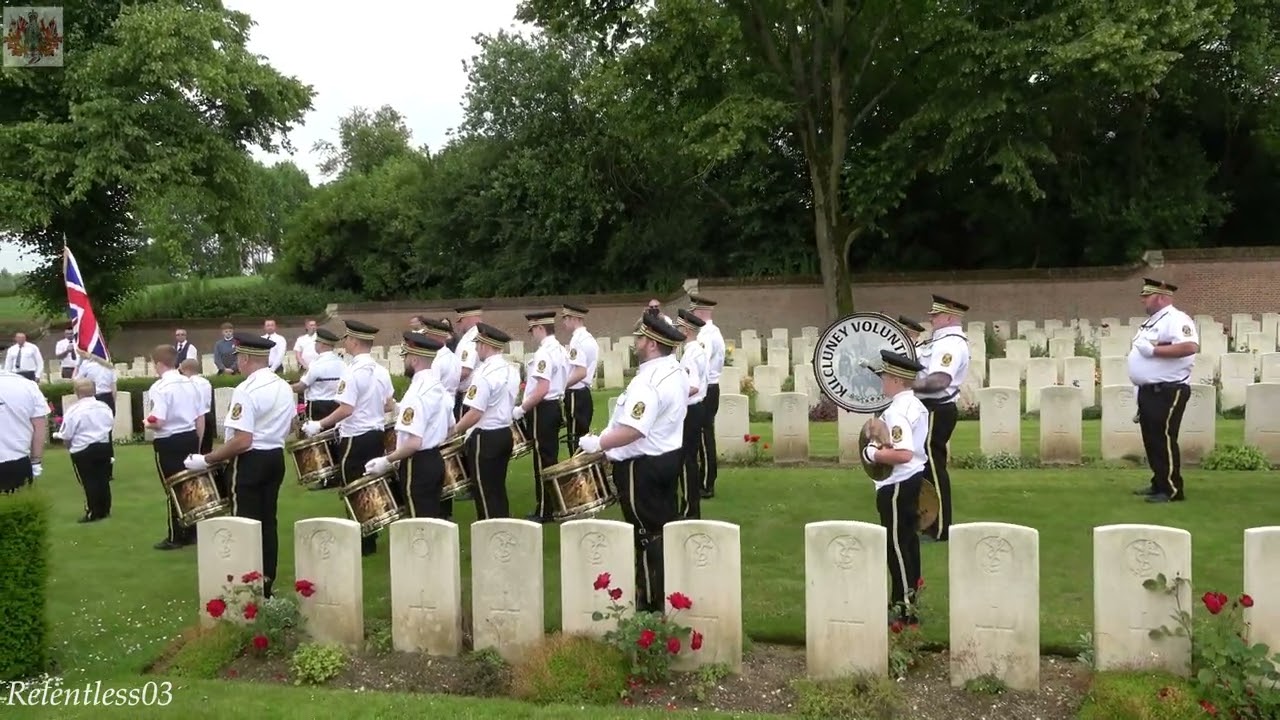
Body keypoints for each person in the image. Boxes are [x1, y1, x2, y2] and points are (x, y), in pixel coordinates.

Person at [577, 313, 688, 613]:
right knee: (664, 531)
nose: (635, 343)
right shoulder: (674, 370)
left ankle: (651, 607)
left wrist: (598, 443)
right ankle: (669, 596)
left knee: (646, 537)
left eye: (639, 338)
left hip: (644, 468)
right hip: (666, 458)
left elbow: (634, 429)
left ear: (652, 344)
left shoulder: (648, 381)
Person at [184, 333, 294, 597]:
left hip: (251, 460)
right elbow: (290, 426)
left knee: (244, 523)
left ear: (244, 358)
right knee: (267, 522)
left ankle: (248, 586)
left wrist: (207, 459)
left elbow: (243, 440)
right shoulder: (284, 386)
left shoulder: (247, 389)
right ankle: (266, 584)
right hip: (275, 457)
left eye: (239, 358)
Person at [301, 320, 395, 556]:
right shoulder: (381, 370)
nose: (345, 343)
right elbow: (387, 404)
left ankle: (361, 540)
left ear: (353, 341)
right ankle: (370, 536)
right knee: (370, 484)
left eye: (347, 339)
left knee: (353, 486)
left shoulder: (351, 372)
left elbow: (346, 409)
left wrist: (318, 424)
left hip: (355, 436)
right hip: (376, 433)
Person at [862, 350, 929, 626]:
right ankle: (909, 600)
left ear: (897, 380)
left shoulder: (897, 411)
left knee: (897, 546)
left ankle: (904, 608)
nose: (882, 382)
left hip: (897, 482)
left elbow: (903, 453)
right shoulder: (916, 405)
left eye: (885, 377)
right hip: (912, 479)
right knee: (909, 543)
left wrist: (872, 454)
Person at [364, 332, 453, 519]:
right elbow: (450, 427)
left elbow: (413, 442)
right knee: (433, 519)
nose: (403, 361)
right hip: (436, 459)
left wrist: (386, 461)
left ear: (414, 359)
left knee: (418, 524)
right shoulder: (439, 389)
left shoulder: (416, 393)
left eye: (405, 357)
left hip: (417, 464)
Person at [1128, 278, 1199, 503]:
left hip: (1168, 389)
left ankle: (1171, 489)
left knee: (1164, 438)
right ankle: (1158, 482)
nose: (1143, 300)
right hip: (1150, 390)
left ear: (1160, 297)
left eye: (1147, 296)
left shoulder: (1176, 319)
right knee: (1152, 439)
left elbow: (1189, 347)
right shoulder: (1152, 322)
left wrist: (1154, 352)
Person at [912, 295, 970, 543]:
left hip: (937, 408)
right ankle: (926, 521)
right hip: (928, 408)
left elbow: (940, 380)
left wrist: (907, 386)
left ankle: (941, 527)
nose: (931, 318)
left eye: (935, 315)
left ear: (949, 317)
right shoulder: (939, 341)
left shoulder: (951, 345)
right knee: (923, 466)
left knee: (933, 466)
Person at [450, 323, 516, 520]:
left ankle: (490, 536)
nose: (476, 348)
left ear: (485, 345)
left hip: (485, 437)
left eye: (478, 344)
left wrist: (454, 430)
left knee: (484, 490)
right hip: (505, 432)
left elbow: (475, 413)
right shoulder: (510, 369)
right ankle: (504, 528)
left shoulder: (483, 374)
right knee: (497, 488)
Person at [145, 345, 205, 550]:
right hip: (189, 436)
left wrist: (146, 422)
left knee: (173, 486)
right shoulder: (190, 384)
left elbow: (158, 421)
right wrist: (197, 441)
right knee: (190, 485)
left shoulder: (159, 387)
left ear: (159, 364)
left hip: (169, 439)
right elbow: (199, 417)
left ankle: (177, 535)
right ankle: (194, 531)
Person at [515, 311, 568, 523]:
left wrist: (522, 408)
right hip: (553, 406)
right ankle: (554, 504)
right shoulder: (560, 349)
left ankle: (546, 509)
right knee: (550, 458)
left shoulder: (545, 353)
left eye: (533, 331)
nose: (532, 335)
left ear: (539, 328)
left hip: (543, 408)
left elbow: (542, 388)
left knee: (542, 461)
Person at [419, 318, 463, 517]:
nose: (425, 336)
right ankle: (446, 507)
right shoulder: (452, 356)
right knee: (446, 458)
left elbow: (430, 387)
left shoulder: (437, 359)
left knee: (436, 457)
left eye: (428, 333)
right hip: (450, 408)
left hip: (437, 410)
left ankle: (439, 508)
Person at [56, 379, 114, 521]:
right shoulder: (104, 407)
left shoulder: (74, 410)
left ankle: (93, 511)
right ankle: (105, 509)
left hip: (83, 448)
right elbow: (110, 423)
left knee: (89, 481)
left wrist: (68, 445)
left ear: (76, 392)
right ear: (94, 391)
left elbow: (67, 433)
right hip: (103, 445)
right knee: (103, 479)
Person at [689, 295, 725, 500]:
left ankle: (705, 483)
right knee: (705, 435)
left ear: (698, 312)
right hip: (712, 387)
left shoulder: (704, 335)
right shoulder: (715, 331)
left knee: (703, 438)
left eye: (692, 312)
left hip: (706, 389)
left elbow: (700, 366)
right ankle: (705, 480)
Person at [674, 309, 708, 519]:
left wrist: (673, 394)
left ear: (686, 330)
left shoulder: (690, 354)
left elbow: (693, 386)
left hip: (691, 409)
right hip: (697, 408)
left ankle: (689, 510)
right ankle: (690, 508)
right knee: (689, 460)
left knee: (687, 461)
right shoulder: (698, 350)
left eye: (678, 328)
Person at [0, 364, 47, 493]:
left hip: (17, 459)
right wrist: (36, 460)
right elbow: (39, 426)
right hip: (17, 460)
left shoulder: (27, 385)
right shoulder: (27, 385)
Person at [561, 303, 599, 455]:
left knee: (575, 439)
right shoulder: (589, 338)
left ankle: (581, 477)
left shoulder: (577, 340)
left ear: (574, 318)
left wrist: (561, 386)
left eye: (565, 318)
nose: (564, 322)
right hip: (584, 393)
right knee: (582, 438)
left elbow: (580, 372)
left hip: (576, 393)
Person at [453, 306, 484, 419]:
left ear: (468, 318)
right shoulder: (481, 334)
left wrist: (447, 384)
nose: (459, 325)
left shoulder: (471, 339)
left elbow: (465, 371)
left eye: (460, 321)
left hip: (468, 394)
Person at [179, 359, 216, 455]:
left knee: (195, 449)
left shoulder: (188, 383)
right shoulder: (206, 382)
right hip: (208, 415)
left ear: (183, 369)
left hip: (196, 417)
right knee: (207, 448)